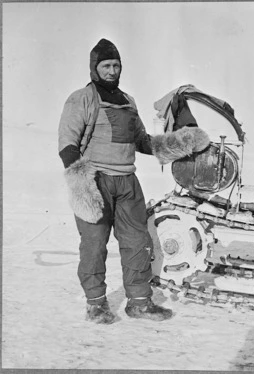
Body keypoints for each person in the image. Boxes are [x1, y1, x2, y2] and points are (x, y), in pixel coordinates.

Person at [58, 38, 210, 324]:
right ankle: (96, 304)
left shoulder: (128, 101)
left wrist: (183, 143)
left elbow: (142, 141)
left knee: (137, 242)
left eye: (116, 65)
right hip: (97, 182)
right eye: (106, 65)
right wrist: (83, 188)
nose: (112, 70)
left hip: (127, 182)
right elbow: (67, 144)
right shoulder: (82, 98)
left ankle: (139, 303)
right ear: (95, 68)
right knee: (93, 245)